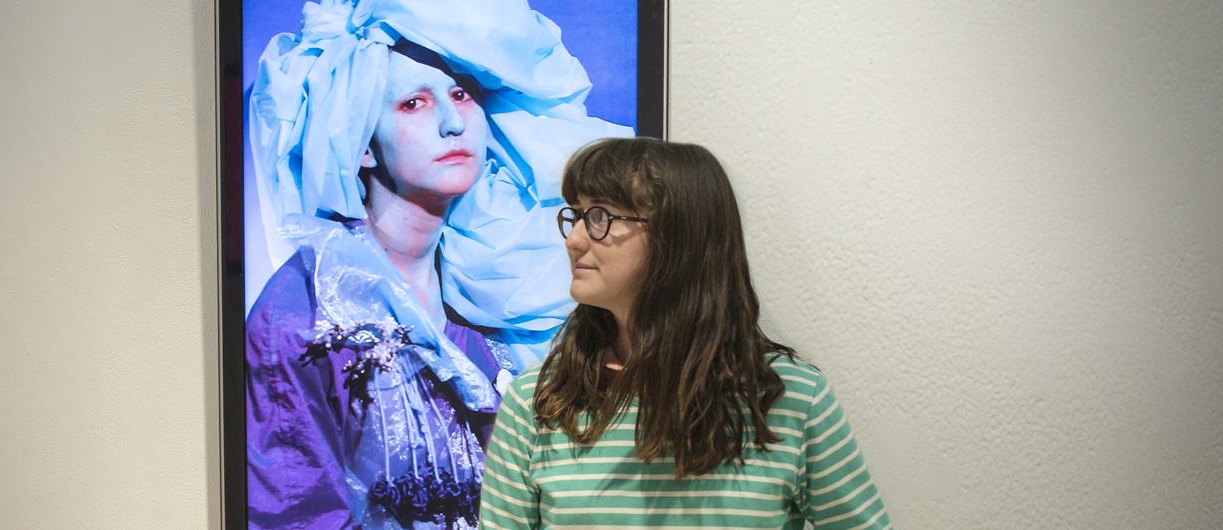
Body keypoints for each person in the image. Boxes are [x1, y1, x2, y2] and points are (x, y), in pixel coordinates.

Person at [244, 1, 631, 528]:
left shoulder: (497, 286)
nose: (452, 122)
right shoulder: (305, 311)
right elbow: (296, 510)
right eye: (412, 104)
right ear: (361, 142)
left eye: (460, 94)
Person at [477, 138, 895, 529]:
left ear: (677, 236)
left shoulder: (791, 397)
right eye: (577, 215)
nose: (574, 240)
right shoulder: (541, 401)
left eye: (600, 216)